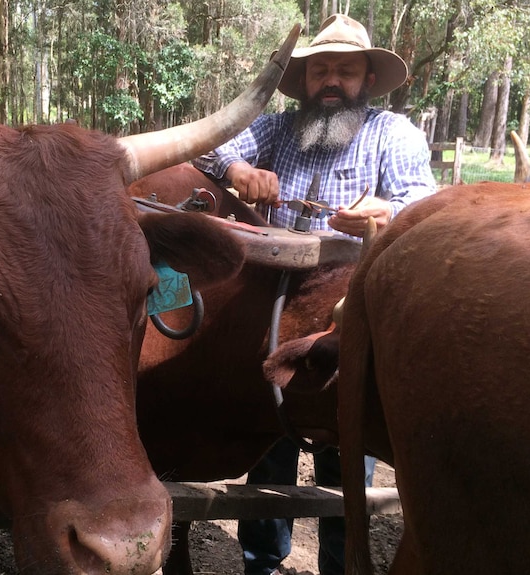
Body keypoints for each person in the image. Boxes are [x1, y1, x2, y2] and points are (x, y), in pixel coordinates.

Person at [192, 13, 437, 575]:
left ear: (366, 81)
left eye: (344, 72)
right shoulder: (278, 129)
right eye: (320, 70)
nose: (331, 81)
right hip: (272, 317)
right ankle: (262, 563)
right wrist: (238, 166)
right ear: (304, 81)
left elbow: (424, 206)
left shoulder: (391, 135)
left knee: (348, 452)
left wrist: (388, 212)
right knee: (269, 440)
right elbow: (210, 151)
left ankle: (342, 565)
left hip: (351, 319)